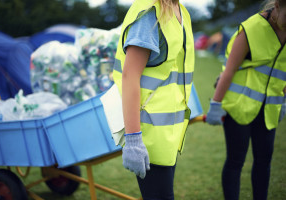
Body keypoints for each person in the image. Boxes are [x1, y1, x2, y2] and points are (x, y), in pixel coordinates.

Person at [112, 0, 195, 199]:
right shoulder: (149, 13)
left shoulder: (180, 10)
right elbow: (129, 76)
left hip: (167, 130)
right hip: (147, 131)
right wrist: (133, 140)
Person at [206, 0, 286, 199]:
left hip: (268, 109)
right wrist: (215, 104)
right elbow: (230, 69)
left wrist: (284, 101)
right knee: (235, 162)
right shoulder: (252, 28)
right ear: (277, 6)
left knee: (264, 161)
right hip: (239, 107)